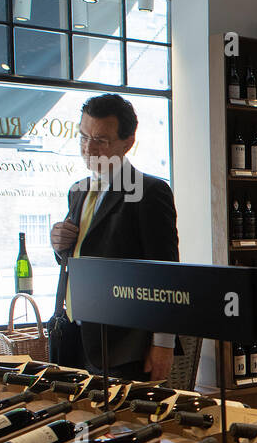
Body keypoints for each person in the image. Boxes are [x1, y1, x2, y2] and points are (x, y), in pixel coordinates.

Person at [50, 94, 179, 381]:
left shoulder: (149, 191)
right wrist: (59, 246)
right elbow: (80, 252)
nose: (88, 148)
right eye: (83, 137)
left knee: (127, 426)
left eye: (101, 140)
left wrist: (163, 344)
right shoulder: (78, 190)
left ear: (128, 142)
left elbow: (166, 273)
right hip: (74, 338)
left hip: (125, 346)